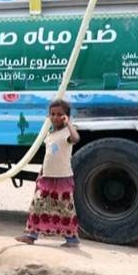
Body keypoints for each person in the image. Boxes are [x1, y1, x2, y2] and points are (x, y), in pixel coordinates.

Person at [15, 99, 82, 248]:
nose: (56, 117)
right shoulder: (50, 134)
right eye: (53, 114)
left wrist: (69, 124)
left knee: (64, 208)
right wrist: (41, 173)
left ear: (66, 116)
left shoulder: (67, 132)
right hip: (47, 177)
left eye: (60, 114)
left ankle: (71, 239)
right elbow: (48, 157)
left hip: (63, 178)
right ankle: (30, 235)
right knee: (38, 205)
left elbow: (76, 139)